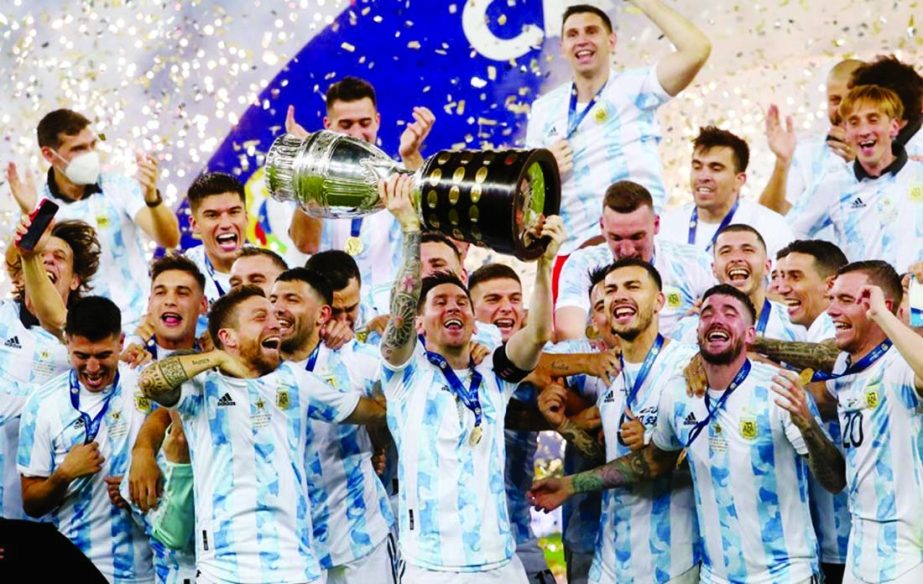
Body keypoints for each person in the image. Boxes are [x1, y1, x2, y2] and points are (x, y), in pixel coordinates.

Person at [531, 284, 847, 584]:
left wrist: (808, 426)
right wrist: (571, 484)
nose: (717, 319)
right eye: (707, 313)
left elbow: (834, 480)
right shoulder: (679, 394)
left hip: (786, 574)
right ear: (696, 331)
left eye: (730, 313)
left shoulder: (779, 388)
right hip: (713, 575)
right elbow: (650, 463)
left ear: (750, 334)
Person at [377, 172, 561, 582]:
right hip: (430, 568)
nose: (452, 307)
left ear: (475, 319)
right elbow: (403, 308)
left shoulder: (495, 372)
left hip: (500, 565)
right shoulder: (402, 374)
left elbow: (538, 334)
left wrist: (545, 264)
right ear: (421, 324)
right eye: (439, 302)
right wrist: (410, 230)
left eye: (460, 301)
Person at [137, 285, 385, 584]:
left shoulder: (294, 381)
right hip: (223, 572)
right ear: (227, 337)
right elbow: (151, 381)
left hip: (295, 570)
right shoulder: (202, 387)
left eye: (273, 316)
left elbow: (373, 410)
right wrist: (218, 359)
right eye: (260, 317)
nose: (275, 323)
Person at [524, 1, 710, 288]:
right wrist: (546, 172)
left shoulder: (636, 87)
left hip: (641, 246)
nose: (582, 40)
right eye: (572, 34)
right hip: (575, 253)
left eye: (591, 31)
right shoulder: (543, 110)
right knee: (572, 333)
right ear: (562, 47)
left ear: (611, 40)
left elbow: (697, 49)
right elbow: (526, 199)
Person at [540, 259, 699, 583]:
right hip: (609, 563)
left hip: (671, 565)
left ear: (659, 302)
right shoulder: (611, 373)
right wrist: (565, 425)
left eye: (633, 286)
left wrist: (661, 441)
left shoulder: (687, 367)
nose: (619, 296)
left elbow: (687, 459)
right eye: (611, 290)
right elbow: (609, 459)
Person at [270, 268, 397, 583]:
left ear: (322, 314)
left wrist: (377, 440)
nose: (277, 308)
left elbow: (398, 417)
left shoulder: (359, 362)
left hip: (361, 543)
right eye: (273, 299)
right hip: (289, 550)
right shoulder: (258, 371)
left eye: (291, 299)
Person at [18, 296, 154, 582]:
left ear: (121, 343)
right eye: (82, 356)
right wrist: (64, 474)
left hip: (146, 569)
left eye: (103, 355)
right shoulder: (42, 405)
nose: (92, 368)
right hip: (71, 566)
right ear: (67, 343)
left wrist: (141, 468)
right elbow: (31, 502)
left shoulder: (146, 387)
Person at [6, 109, 180, 329]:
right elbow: (15, 269)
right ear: (49, 155)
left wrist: (153, 197)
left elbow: (169, 239)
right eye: (78, 148)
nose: (90, 154)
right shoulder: (37, 201)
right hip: (78, 332)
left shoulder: (119, 187)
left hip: (139, 323)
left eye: (92, 145)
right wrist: (28, 216)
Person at [808, 261, 923, 584]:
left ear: (880, 306)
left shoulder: (900, 364)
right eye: (832, 299)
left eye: (846, 300)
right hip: (860, 548)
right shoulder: (847, 368)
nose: (831, 309)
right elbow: (814, 389)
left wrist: (883, 317)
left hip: (907, 552)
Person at [287, 76, 436, 324]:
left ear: (377, 121)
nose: (357, 134)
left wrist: (411, 156)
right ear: (328, 126)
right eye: (346, 124)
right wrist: (309, 162)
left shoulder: (400, 176)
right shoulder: (310, 182)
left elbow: (430, 220)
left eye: (365, 123)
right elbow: (306, 244)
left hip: (393, 319)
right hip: (332, 320)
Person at [0, 218, 100, 520]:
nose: (48, 260)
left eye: (58, 257)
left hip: (55, 517)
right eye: (41, 254)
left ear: (74, 280)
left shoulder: (85, 341)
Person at [468, 263, 555, 583]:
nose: (506, 307)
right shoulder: (448, 358)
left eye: (514, 299)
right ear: (469, 308)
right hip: (456, 548)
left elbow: (545, 369)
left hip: (516, 534)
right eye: (493, 299)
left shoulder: (535, 358)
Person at [556, 180, 714, 340]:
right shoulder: (582, 264)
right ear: (602, 227)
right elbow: (568, 334)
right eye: (616, 238)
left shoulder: (693, 262)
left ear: (656, 224)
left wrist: (690, 325)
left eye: (637, 237)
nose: (627, 251)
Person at [789, 85, 923, 272]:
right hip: (860, 298)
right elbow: (790, 232)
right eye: (854, 122)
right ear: (845, 130)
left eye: (873, 120)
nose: (864, 131)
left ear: (894, 126)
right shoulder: (833, 183)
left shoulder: (919, 175)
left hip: (918, 297)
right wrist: (823, 275)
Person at [659, 126, 793, 258]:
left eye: (716, 168)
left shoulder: (770, 227)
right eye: (697, 167)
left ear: (739, 180)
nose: (703, 177)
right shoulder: (667, 227)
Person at [760, 59, 864, 215]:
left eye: (851, 99)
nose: (842, 109)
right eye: (835, 100)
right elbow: (768, 218)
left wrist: (862, 167)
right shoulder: (807, 153)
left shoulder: (896, 151)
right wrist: (782, 163)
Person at [669, 224, 805, 343]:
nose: (736, 258)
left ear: (767, 266)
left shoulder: (794, 324)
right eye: (726, 251)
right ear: (714, 269)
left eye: (747, 250)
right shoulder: (690, 329)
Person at [183, 171, 248, 307]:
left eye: (234, 212)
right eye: (212, 215)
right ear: (195, 225)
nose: (226, 224)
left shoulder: (270, 267)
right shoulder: (182, 275)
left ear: (246, 218)